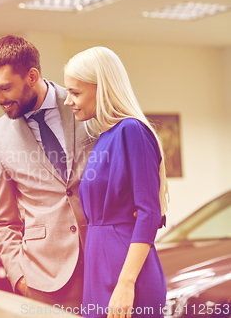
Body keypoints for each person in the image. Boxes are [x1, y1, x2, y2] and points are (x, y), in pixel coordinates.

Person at [0, 35, 97, 310]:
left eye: (5, 88)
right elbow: (3, 222)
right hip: (45, 280)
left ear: (32, 76)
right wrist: (19, 277)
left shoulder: (84, 102)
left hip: (105, 259)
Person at [63, 46, 168, 318]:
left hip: (126, 272)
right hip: (99, 267)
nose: (68, 101)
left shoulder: (131, 130)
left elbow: (149, 212)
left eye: (75, 93)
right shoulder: (104, 138)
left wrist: (126, 283)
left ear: (103, 89)